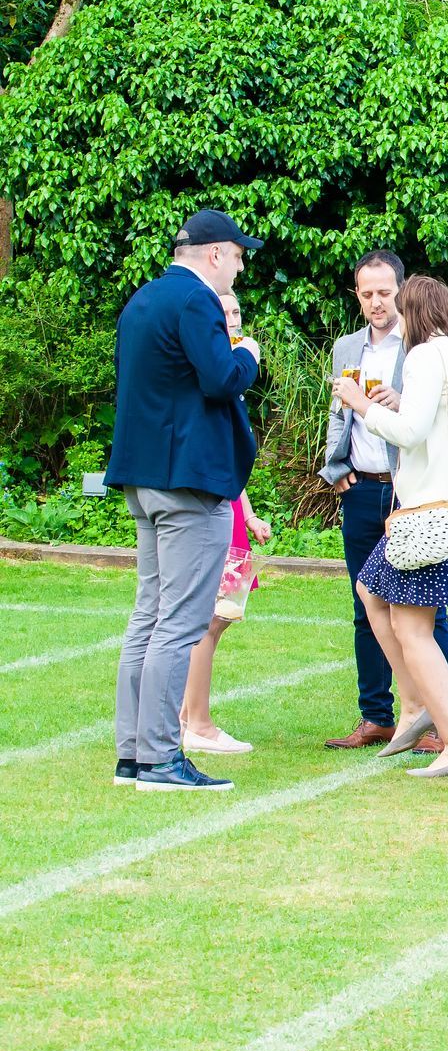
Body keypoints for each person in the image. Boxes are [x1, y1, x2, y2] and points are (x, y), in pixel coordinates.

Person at [105, 209, 263, 792]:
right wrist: (248, 352)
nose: (241, 267)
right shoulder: (196, 301)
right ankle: (159, 759)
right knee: (181, 622)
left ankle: (133, 754)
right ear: (216, 253)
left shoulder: (142, 300)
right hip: (188, 481)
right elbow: (221, 379)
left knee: (148, 616)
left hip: (144, 476)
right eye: (239, 255)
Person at [334, 277, 448, 778]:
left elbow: (409, 432)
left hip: (436, 508)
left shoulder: (424, 356)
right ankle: (414, 707)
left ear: (413, 313)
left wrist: (360, 403)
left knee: (412, 625)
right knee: (371, 590)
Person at [318, 250, 448, 751]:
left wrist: (402, 404)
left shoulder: (422, 346)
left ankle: (437, 722)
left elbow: (436, 415)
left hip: (410, 490)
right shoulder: (346, 348)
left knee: (424, 607)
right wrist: (335, 470)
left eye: (384, 292)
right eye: (366, 293)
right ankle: (375, 715)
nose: (376, 302)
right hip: (360, 488)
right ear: (357, 296)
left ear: (401, 290)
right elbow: (339, 414)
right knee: (365, 604)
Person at [178, 291, 275, 755]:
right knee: (208, 619)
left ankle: (187, 715)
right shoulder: (211, 371)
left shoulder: (231, 370)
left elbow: (232, 451)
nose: (234, 319)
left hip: (232, 510)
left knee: (222, 616)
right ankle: (197, 721)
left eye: (237, 311)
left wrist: (249, 511)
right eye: (225, 312)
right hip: (210, 508)